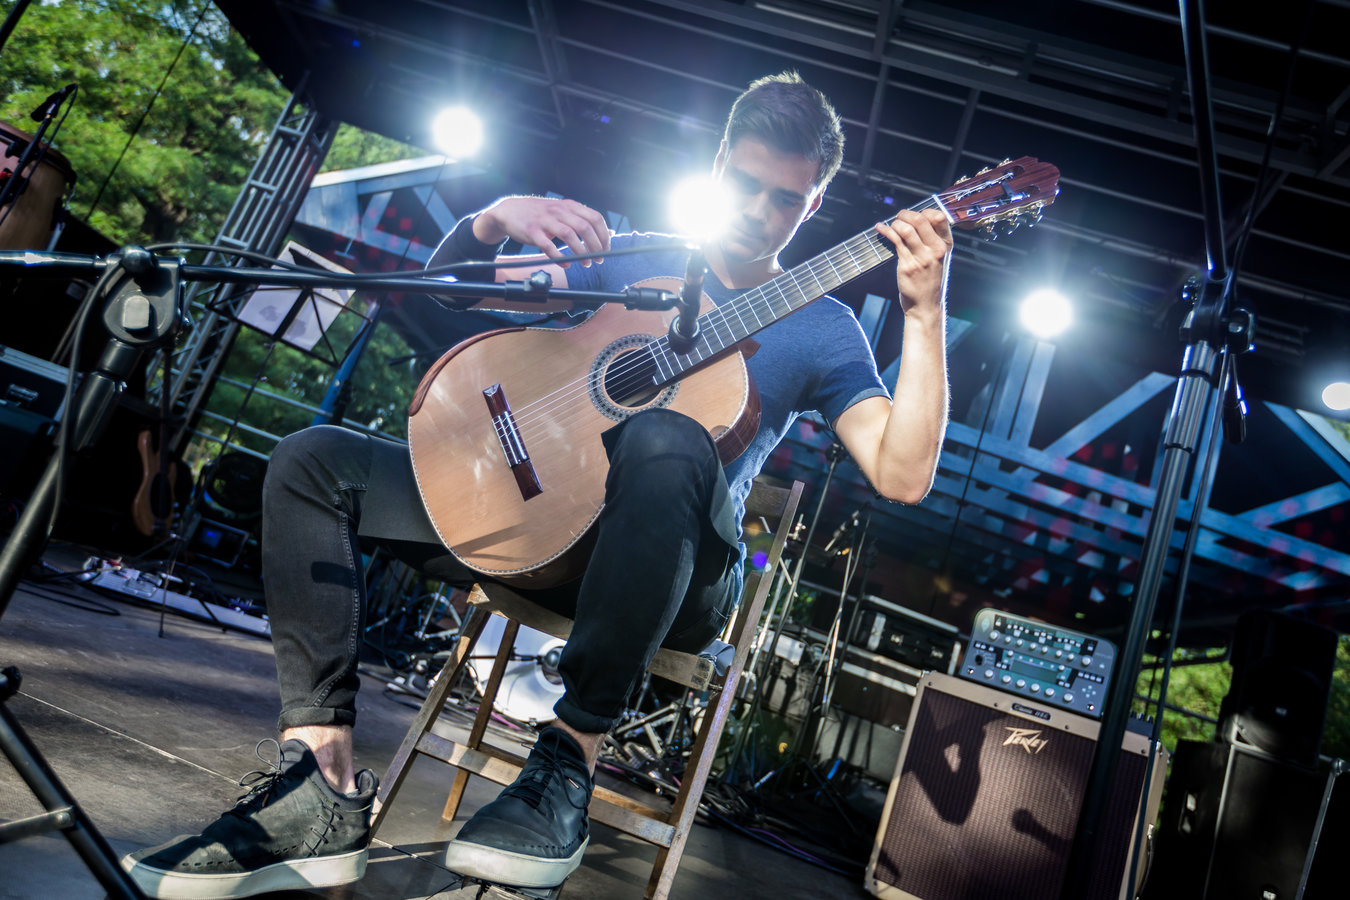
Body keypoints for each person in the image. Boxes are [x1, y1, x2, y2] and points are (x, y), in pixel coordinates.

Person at [121, 70, 951, 899]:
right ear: (718, 164)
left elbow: (902, 472)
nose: (759, 211)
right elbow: (452, 298)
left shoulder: (825, 325)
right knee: (312, 461)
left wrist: (924, 315)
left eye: (785, 200)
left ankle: (567, 764)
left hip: (675, 580)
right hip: (539, 528)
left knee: (665, 434)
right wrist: (491, 221)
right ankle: (318, 782)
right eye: (745, 183)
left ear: (813, 206)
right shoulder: (636, 255)